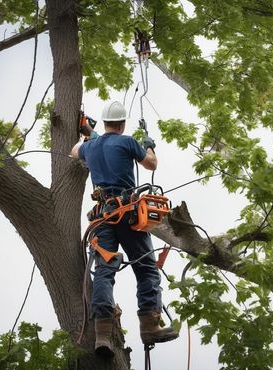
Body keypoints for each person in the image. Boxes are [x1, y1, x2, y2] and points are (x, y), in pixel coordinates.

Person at [71, 101, 178, 356]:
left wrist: (88, 134)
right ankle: (150, 326)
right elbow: (151, 164)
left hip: (103, 218)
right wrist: (149, 144)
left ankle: (102, 336)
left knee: (104, 272)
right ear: (121, 124)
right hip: (129, 215)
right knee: (147, 270)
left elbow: (74, 151)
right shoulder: (128, 141)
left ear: (106, 122)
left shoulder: (90, 146)